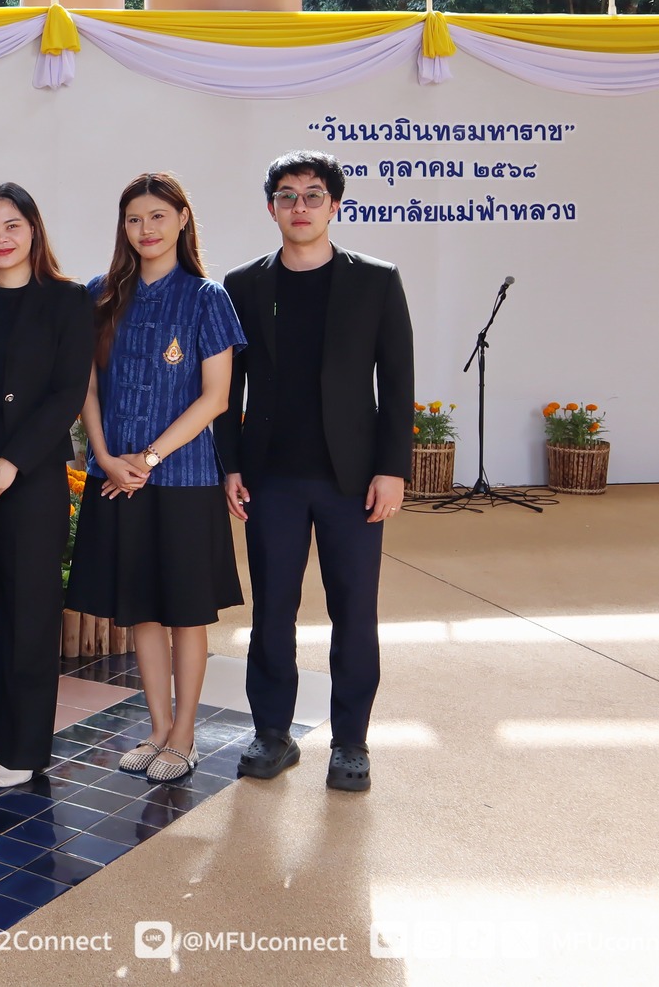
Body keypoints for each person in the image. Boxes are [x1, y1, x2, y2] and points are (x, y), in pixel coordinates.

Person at [216, 151, 413, 794]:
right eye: (286, 195)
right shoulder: (243, 285)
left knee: (354, 610)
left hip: (351, 479)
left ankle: (350, 742)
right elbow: (226, 387)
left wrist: (392, 469)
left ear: (335, 205)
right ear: (270, 205)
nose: (299, 207)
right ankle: (272, 733)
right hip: (271, 477)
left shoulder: (376, 281)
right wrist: (231, 465)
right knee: (273, 611)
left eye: (312, 195)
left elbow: (397, 382)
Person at [68, 173, 245, 785]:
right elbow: (86, 386)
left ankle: (187, 734)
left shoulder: (206, 298)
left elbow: (216, 398)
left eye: (158, 217)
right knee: (141, 609)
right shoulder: (101, 295)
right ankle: (157, 727)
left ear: (182, 220)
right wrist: (104, 454)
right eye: (135, 219)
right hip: (115, 476)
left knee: (185, 613)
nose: (146, 229)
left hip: (184, 480)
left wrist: (148, 459)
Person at [0, 184, 95, 788]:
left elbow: (66, 395)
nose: (1, 238)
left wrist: (13, 462)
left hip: (29, 482)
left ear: (34, 229)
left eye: (13, 224)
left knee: (30, 613)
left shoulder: (67, 301)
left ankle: (25, 747)